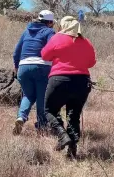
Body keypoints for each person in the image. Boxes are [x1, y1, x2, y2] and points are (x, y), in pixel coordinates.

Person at [41, 16, 96, 158]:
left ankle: (62, 135)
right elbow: (91, 63)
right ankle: (72, 152)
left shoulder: (57, 38)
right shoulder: (86, 42)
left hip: (59, 80)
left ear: (62, 26)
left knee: (49, 110)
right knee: (74, 116)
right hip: (82, 82)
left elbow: (45, 55)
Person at [12, 10, 56, 135]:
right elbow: (52, 48)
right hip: (42, 67)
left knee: (28, 95)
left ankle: (21, 117)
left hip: (23, 67)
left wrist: (16, 67)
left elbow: (16, 52)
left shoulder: (26, 31)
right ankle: (42, 127)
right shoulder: (49, 31)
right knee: (42, 97)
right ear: (49, 22)